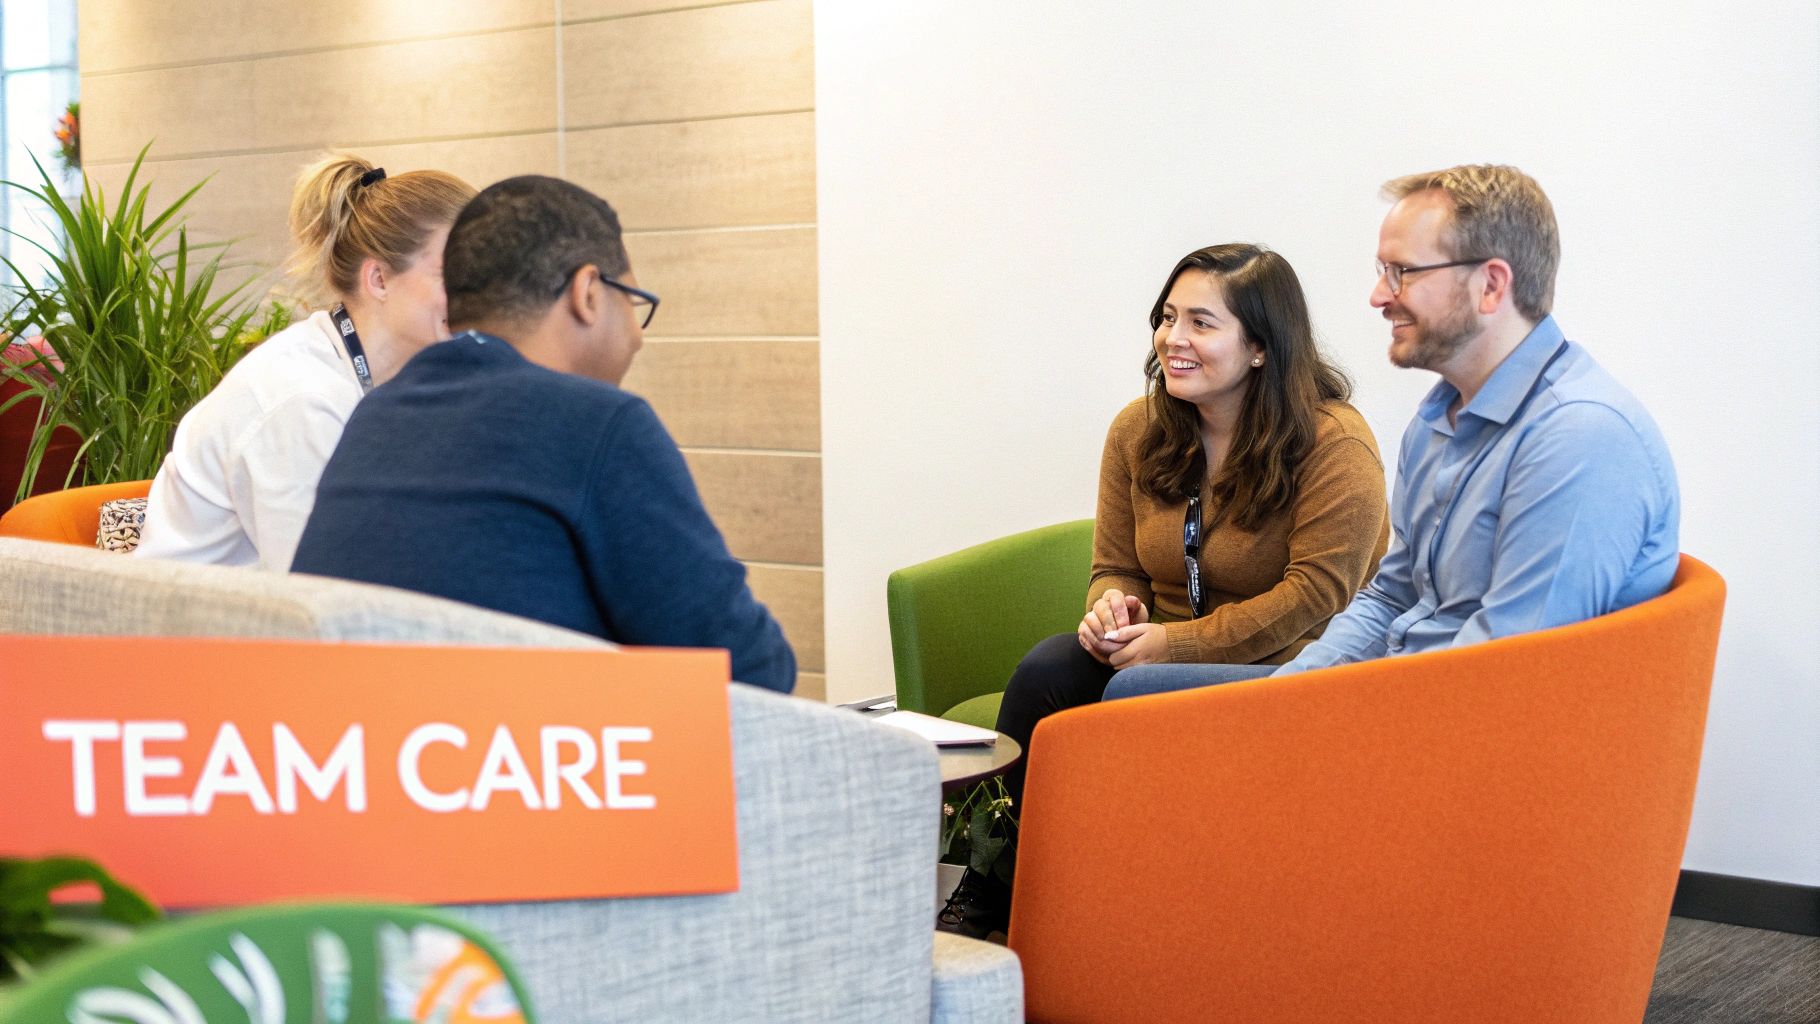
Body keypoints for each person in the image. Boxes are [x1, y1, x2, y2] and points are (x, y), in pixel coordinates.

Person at [943, 243, 1392, 938]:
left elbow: (1316, 596)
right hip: (1155, 647)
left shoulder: (1334, 445)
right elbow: (1115, 564)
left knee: (1132, 694)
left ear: (1261, 349)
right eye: (1168, 317)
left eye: (1202, 323)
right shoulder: (1140, 430)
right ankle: (990, 893)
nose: (1173, 340)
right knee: (1049, 669)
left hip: (1292, 664)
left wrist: (1173, 644)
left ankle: (1135, 914)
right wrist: (1111, 611)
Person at [1108, 163, 1680, 702]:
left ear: (1490, 286)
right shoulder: (1438, 423)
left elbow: (1508, 675)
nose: (1379, 296)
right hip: (1397, 693)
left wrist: (1312, 716)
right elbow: (1389, 599)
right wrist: (1284, 698)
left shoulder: (1579, 439)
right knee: (1109, 695)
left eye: (1402, 272)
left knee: (1129, 703)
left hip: (1454, 730)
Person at [290, 176, 795, 693]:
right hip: (531, 761)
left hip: (382, 757)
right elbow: (750, 669)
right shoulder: (598, 422)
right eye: (634, 303)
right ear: (588, 294)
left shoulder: (376, 415)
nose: (639, 336)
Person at [136, 155, 474, 570]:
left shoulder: (381, 375)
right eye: (453, 273)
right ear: (379, 280)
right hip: (202, 627)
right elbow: (318, 590)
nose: (475, 293)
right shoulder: (298, 398)